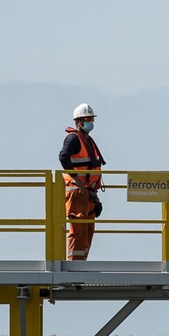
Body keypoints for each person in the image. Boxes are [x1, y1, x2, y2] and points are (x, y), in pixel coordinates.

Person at [59, 103, 105, 261]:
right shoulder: (73, 138)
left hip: (88, 193)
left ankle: (82, 264)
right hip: (77, 192)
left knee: (87, 231)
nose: (90, 122)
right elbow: (63, 156)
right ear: (78, 121)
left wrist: (95, 197)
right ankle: (74, 266)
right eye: (87, 119)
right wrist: (77, 180)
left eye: (92, 119)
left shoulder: (87, 140)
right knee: (78, 231)